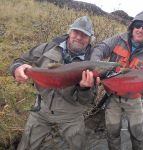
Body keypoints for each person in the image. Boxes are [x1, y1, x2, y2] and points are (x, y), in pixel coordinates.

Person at [10, 16, 96, 150]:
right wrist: (16, 68)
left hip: (71, 115)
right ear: (69, 32)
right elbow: (20, 60)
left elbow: (87, 101)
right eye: (76, 32)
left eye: (84, 35)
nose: (79, 37)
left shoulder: (92, 61)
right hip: (41, 109)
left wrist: (84, 89)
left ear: (90, 39)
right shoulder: (49, 47)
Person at [91, 10, 143, 150]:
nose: (140, 30)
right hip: (112, 96)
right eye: (138, 25)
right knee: (112, 132)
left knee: (137, 134)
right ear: (132, 26)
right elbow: (99, 49)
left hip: (134, 99)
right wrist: (96, 66)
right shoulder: (118, 39)